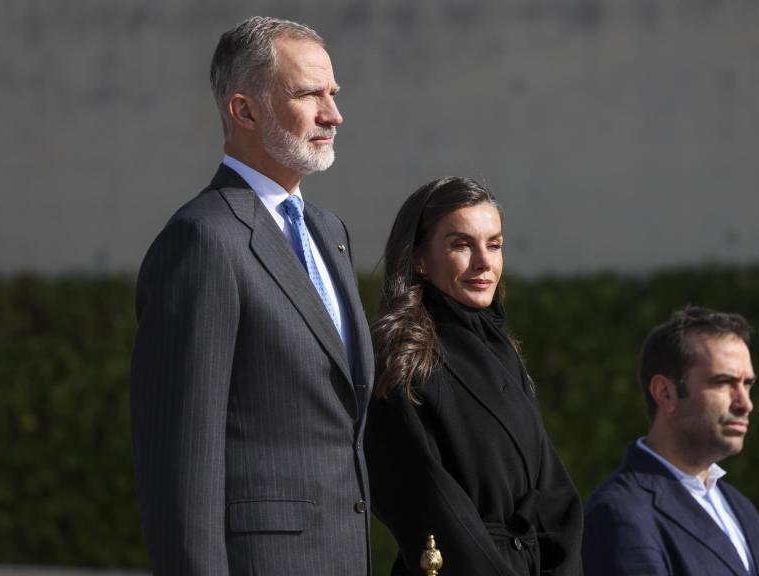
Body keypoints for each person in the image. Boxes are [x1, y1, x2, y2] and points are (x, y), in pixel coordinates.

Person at [130, 16, 374, 575]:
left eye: (332, 94)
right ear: (244, 110)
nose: (333, 114)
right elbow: (179, 459)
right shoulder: (202, 239)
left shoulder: (329, 232)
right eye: (309, 94)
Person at [364, 176, 584, 576]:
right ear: (419, 259)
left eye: (495, 244)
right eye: (462, 244)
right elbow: (430, 503)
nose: (485, 262)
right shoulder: (402, 359)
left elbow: (554, 495)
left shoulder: (503, 351)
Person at [582, 307, 759, 576]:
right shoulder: (620, 512)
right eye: (724, 382)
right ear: (665, 393)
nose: (745, 403)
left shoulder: (741, 507)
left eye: (747, 385)